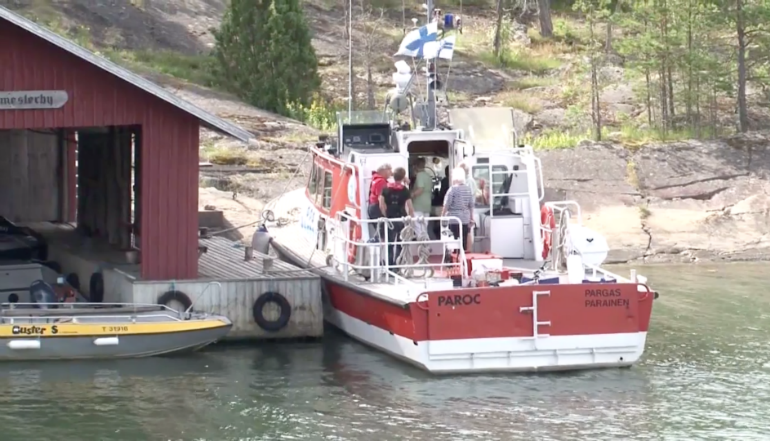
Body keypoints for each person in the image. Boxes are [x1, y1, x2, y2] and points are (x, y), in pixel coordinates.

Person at [379, 167, 414, 267]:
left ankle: (389, 266)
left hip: (389, 219)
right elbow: (410, 207)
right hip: (401, 219)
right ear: (403, 177)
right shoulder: (405, 191)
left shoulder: (385, 189)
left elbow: (382, 205)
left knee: (389, 244)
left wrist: (385, 217)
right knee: (400, 243)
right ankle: (398, 265)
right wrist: (411, 220)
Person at [441, 167, 474, 261]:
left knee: (453, 240)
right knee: (462, 241)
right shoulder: (468, 189)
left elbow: (446, 204)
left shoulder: (452, 189)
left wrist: (442, 216)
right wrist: (471, 217)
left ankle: (454, 259)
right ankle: (462, 260)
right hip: (465, 219)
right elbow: (471, 205)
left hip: (454, 219)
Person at [367, 163, 391, 240]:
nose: (391, 172)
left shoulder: (376, 179)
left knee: (382, 230)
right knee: (384, 231)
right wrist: (385, 214)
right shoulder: (381, 181)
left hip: (373, 207)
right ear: (384, 171)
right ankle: (385, 249)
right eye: (389, 170)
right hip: (377, 208)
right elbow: (381, 199)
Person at [410, 158, 433, 239]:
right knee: (424, 227)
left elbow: (420, 189)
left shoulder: (419, 175)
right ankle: (426, 245)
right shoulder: (428, 176)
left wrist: (411, 195)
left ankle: (422, 245)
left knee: (418, 227)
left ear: (415, 166)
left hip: (418, 205)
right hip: (427, 204)